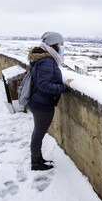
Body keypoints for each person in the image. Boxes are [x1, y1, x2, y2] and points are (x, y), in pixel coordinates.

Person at [27, 32, 73, 171]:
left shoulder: (45, 58)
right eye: (61, 44)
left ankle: (38, 159)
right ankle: (36, 163)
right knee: (38, 134)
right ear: (54, 45)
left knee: (37, 133)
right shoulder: (47, 61)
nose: (63, 47)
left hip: (38, 102)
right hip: (42, 104)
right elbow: (44, 85)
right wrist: (64, 87)